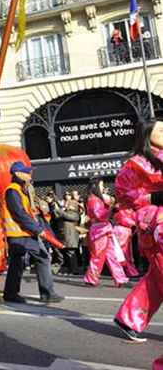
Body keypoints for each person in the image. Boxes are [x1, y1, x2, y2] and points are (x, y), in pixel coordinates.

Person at [113, 119, 163, 343]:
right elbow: (124, 196)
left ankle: (128, 319)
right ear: (147, 134)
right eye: (160, 130)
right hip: (156, 224)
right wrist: (153, 196)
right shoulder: (136, 164)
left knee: (156, 279)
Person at [2, 162, 64, 304]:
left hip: (24, 233)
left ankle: (11, 293)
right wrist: (38, 230)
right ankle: (46, 293)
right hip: (20, 234)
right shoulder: (12, 190)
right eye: (27, 172)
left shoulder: (21, 190)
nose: (30, 175)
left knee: (19, 263)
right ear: (18, 174)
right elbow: (19, 214)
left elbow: (26, 213)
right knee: (41, 258)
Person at [83, 177, 128, 287]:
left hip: (104, 229)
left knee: (112, 255)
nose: (103, 188)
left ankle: (120, 278)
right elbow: (100, 215)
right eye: (102, 185)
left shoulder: (95, 199)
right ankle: (91, 279)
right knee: (98, 256)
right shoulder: (94, 200)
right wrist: (112, 209)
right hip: (100, 230)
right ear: (96, 186)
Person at [55, 193, 83, 275]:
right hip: (65, 236)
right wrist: (61, 210)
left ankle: (75, 270)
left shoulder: (75, 213)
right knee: (66, 253)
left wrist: (61, 211)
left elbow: (70, 217)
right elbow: (57, 217)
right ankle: (69, 269)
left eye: (68, 203)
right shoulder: (65, 212)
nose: (67, 204)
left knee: (71, 253)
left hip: (71, 237)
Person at [113, 206, 141, 278]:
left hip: (125, 231)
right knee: (121, 252)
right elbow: (124, 220)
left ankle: (127, 270)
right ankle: (122, 271)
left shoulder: (127, 210)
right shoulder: (122, 210)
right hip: (122, 230)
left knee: (125, 252)